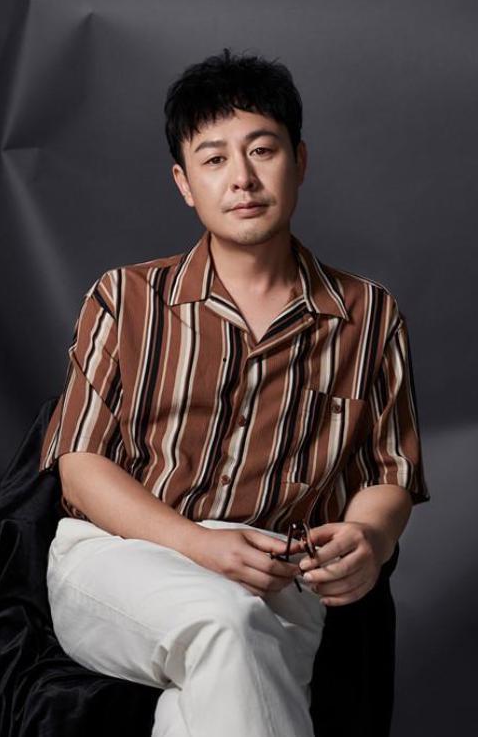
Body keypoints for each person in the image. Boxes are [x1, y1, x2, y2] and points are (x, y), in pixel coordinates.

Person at [39, 47, 430, 737]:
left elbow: (388, 474)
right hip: (118, 558)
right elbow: (80, 464)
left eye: (262, 151)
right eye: (214, 159)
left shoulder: (368, 315)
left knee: (213, 687)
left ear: (298, 161)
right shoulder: (125, 298)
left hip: (276, 579)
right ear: (185, 183)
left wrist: (369, 537)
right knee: (225, 624)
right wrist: (196, 545)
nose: (242, 178)